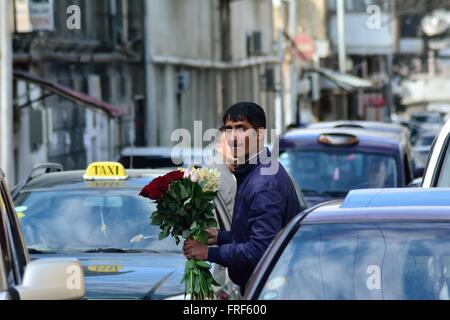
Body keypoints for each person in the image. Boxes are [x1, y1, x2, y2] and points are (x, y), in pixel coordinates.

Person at [183, 102, 302, 296]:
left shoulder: (264, 182)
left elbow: (261, 250)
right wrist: (220, 237)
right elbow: (257, 235)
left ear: (260, 134)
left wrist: (208, 253)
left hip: (270, 290)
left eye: (242, 129)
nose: (233, 137)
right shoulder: (253, 172)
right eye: (229, 129)